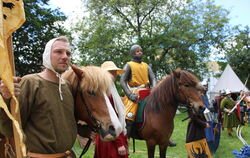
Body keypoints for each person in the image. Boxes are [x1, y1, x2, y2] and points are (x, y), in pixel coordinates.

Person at [0, 36, 78, 157]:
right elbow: (10, 129)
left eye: (68, 53)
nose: (65, 56)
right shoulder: (31, 82)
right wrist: (6, 98)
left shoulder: (67, 86)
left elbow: (68, 122)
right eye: (58, 51)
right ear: (47, 55)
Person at [120, 45, 176, 147]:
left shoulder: (146, 66)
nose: (140, 52)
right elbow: (122, 81)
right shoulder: (129, 65)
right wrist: (129, 94)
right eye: (137, 51)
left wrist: (154, 89)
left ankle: (165, 137)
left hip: (148, 91)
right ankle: (126, 137)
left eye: (141, 51)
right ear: (133, 53)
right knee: (129, 115)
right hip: (135, 92)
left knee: (162, 110)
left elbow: (153, 78)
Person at [94, 61, 128, 158]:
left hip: (113, 135)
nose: (114, 74)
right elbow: (109, 119)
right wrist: (119, 143)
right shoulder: (104, 91)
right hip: (110, 137)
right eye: (110, 72)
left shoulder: (111, 87)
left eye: (114, 72)